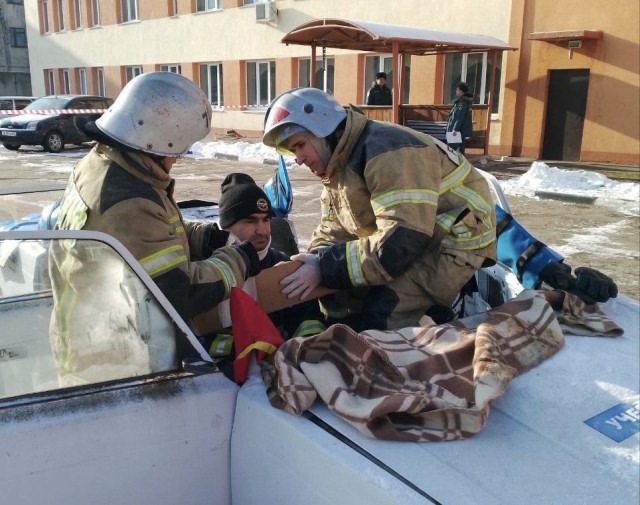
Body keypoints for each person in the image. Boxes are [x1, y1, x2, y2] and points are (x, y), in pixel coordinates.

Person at [48, 72, 261, 383]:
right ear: (159, 140)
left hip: (90, 341)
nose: (177, 158)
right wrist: (240, 260)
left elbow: (150, 235)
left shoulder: (109, 164)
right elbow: (180, 293)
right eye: (177, 150)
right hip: (114, 366)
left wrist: (203, 236)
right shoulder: (129, 200)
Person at [262, 87, 497, 331]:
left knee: (381, 314)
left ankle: (446, 305)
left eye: (300, 145)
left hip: (454, 240)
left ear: (325, 129)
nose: (298, 159)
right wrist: (311, 261)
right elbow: (333, 227)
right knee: (337, 298)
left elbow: (399, 244)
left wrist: (324, 267)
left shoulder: (389, 151)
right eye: (292, 151)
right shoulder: (338, 164)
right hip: (415, 235)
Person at [203, 173, 326, 365]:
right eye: (251, 221)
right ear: (227, 226)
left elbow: (308, 325)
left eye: (266, 219)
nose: (262, 230)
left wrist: (307, 355)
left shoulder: (283, 266)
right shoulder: (206, 271)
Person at [446, 82, 474, 154]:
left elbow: (459, 117)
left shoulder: (462, 103)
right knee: (459, 151)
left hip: (457, 132)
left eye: (457, 90)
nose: (456, 91)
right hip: (459, 131)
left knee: (452, 151)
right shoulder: (464, 101)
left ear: (461, 91)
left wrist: (454, 129)